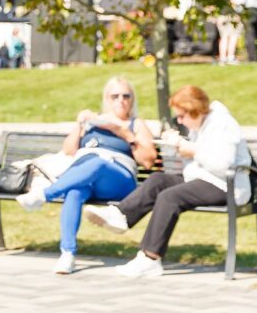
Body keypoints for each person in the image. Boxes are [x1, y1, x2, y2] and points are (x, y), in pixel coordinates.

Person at [86, 85, 251, 279]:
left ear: (195, 110)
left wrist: (193, 150)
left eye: (181, 116)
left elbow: (224, 164)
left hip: (227, 185)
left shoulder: (222, 123)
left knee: (170, 197)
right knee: (158, 180)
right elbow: (197, 160)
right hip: (205, 178)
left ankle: (150, 258)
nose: (179, 121)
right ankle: (120, 215)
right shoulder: (200, 124)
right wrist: (179, 145)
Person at [15, 77, 158, 274]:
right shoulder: (93, 122)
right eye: (114, 96)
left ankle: (44, 195)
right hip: (86, 173)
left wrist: (124, 134)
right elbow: (68, 151)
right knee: (75, 190)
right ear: (106, 99)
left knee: (99, 161)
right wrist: (80, 125)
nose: (121, 100)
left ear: (132, 99)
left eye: (126, 96)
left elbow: (148, 160)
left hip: (119, 178)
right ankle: (68, 254)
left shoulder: (135, 124)